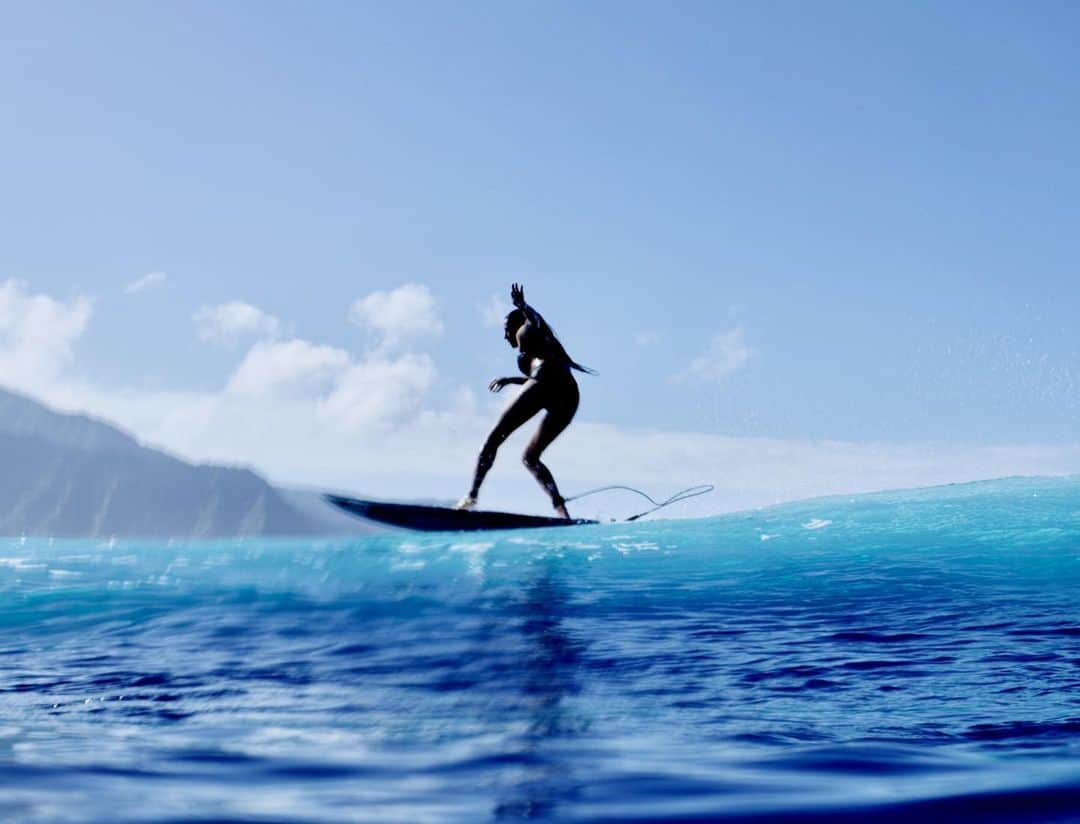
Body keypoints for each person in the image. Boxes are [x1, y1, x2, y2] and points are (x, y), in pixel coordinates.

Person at [457, 283, 593, 519]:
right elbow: (541, 376)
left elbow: (538, 324)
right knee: (530, 458)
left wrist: (523, 306)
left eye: (505, 329)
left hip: (547, 385)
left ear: (514, 325)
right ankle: (562, 512)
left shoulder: (527, 331)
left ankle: (471, 497)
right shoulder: (538, 349)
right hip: (568, 396)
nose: (505, 336)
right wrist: (511, 379)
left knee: (493, 439)